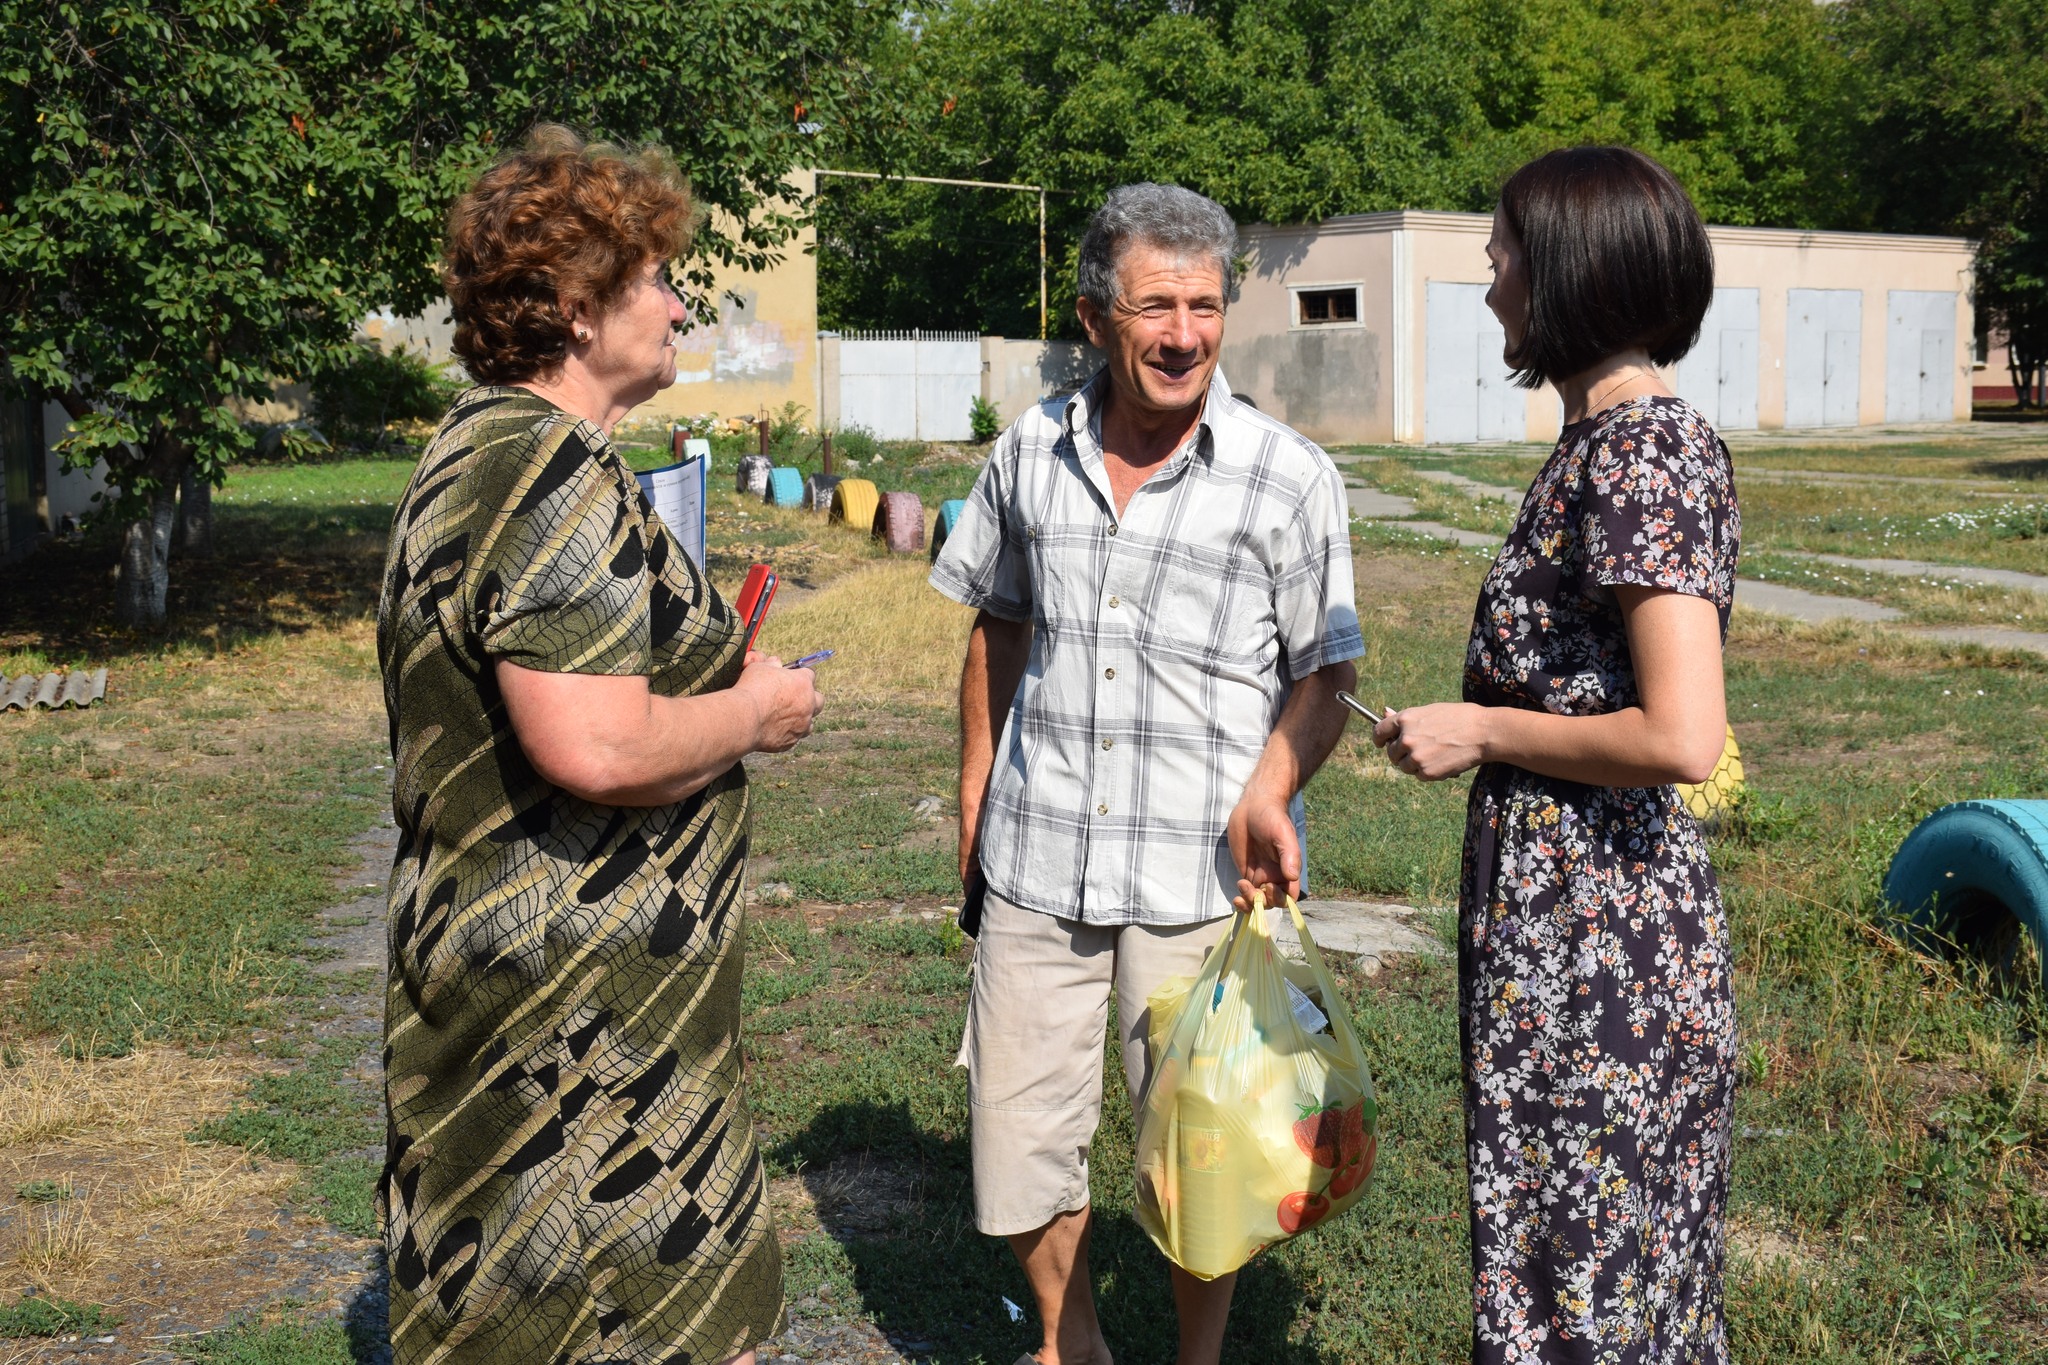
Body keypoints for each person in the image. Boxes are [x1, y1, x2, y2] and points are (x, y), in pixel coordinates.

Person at [375, 125, 822, 1365]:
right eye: (654, 283)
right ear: (577, 310)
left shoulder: (476, 446)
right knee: (647, 1328)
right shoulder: (550, 470)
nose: (679, 305)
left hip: (545, 990)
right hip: (580, 1033)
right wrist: (758, 712)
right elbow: (599, 747)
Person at [929, 182, 1363, 1365]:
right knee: (1016, 1143)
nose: (1182, 334)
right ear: (1092, 317)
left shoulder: (1284, 475)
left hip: (1201, 876)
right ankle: (1075, 1342)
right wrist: (975, 788)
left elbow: (1326, 670)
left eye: (1205, 306)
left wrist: (1270, 785)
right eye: (1154, 306)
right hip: (1038, 854)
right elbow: (994, 622)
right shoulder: (1027, 450)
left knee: (1204, 1154)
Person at [1371, 146, 1739, 1364]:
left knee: (1582, 1261)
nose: (1489, 290)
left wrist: (1475, 726)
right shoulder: (1598, 446)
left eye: (1501, 262)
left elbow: (1681, 736)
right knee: (1566, 1246)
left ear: (1567, 272)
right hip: (1562, 905)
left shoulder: (1639, 452)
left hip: (1600, 928)